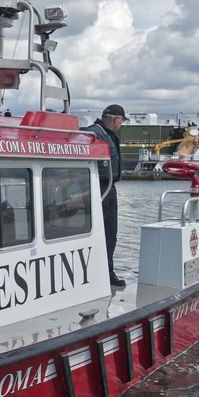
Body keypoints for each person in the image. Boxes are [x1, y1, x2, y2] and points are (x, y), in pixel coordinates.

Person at [87, 104, 126, 287]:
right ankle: (101, 271)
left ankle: (107, 270)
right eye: (121, 121)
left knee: (111, 233)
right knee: (104, 232)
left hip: (109, 187)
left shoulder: (107, 135)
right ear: (116, 119)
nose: (121, 125)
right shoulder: (94, 134)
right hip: (100, 187)